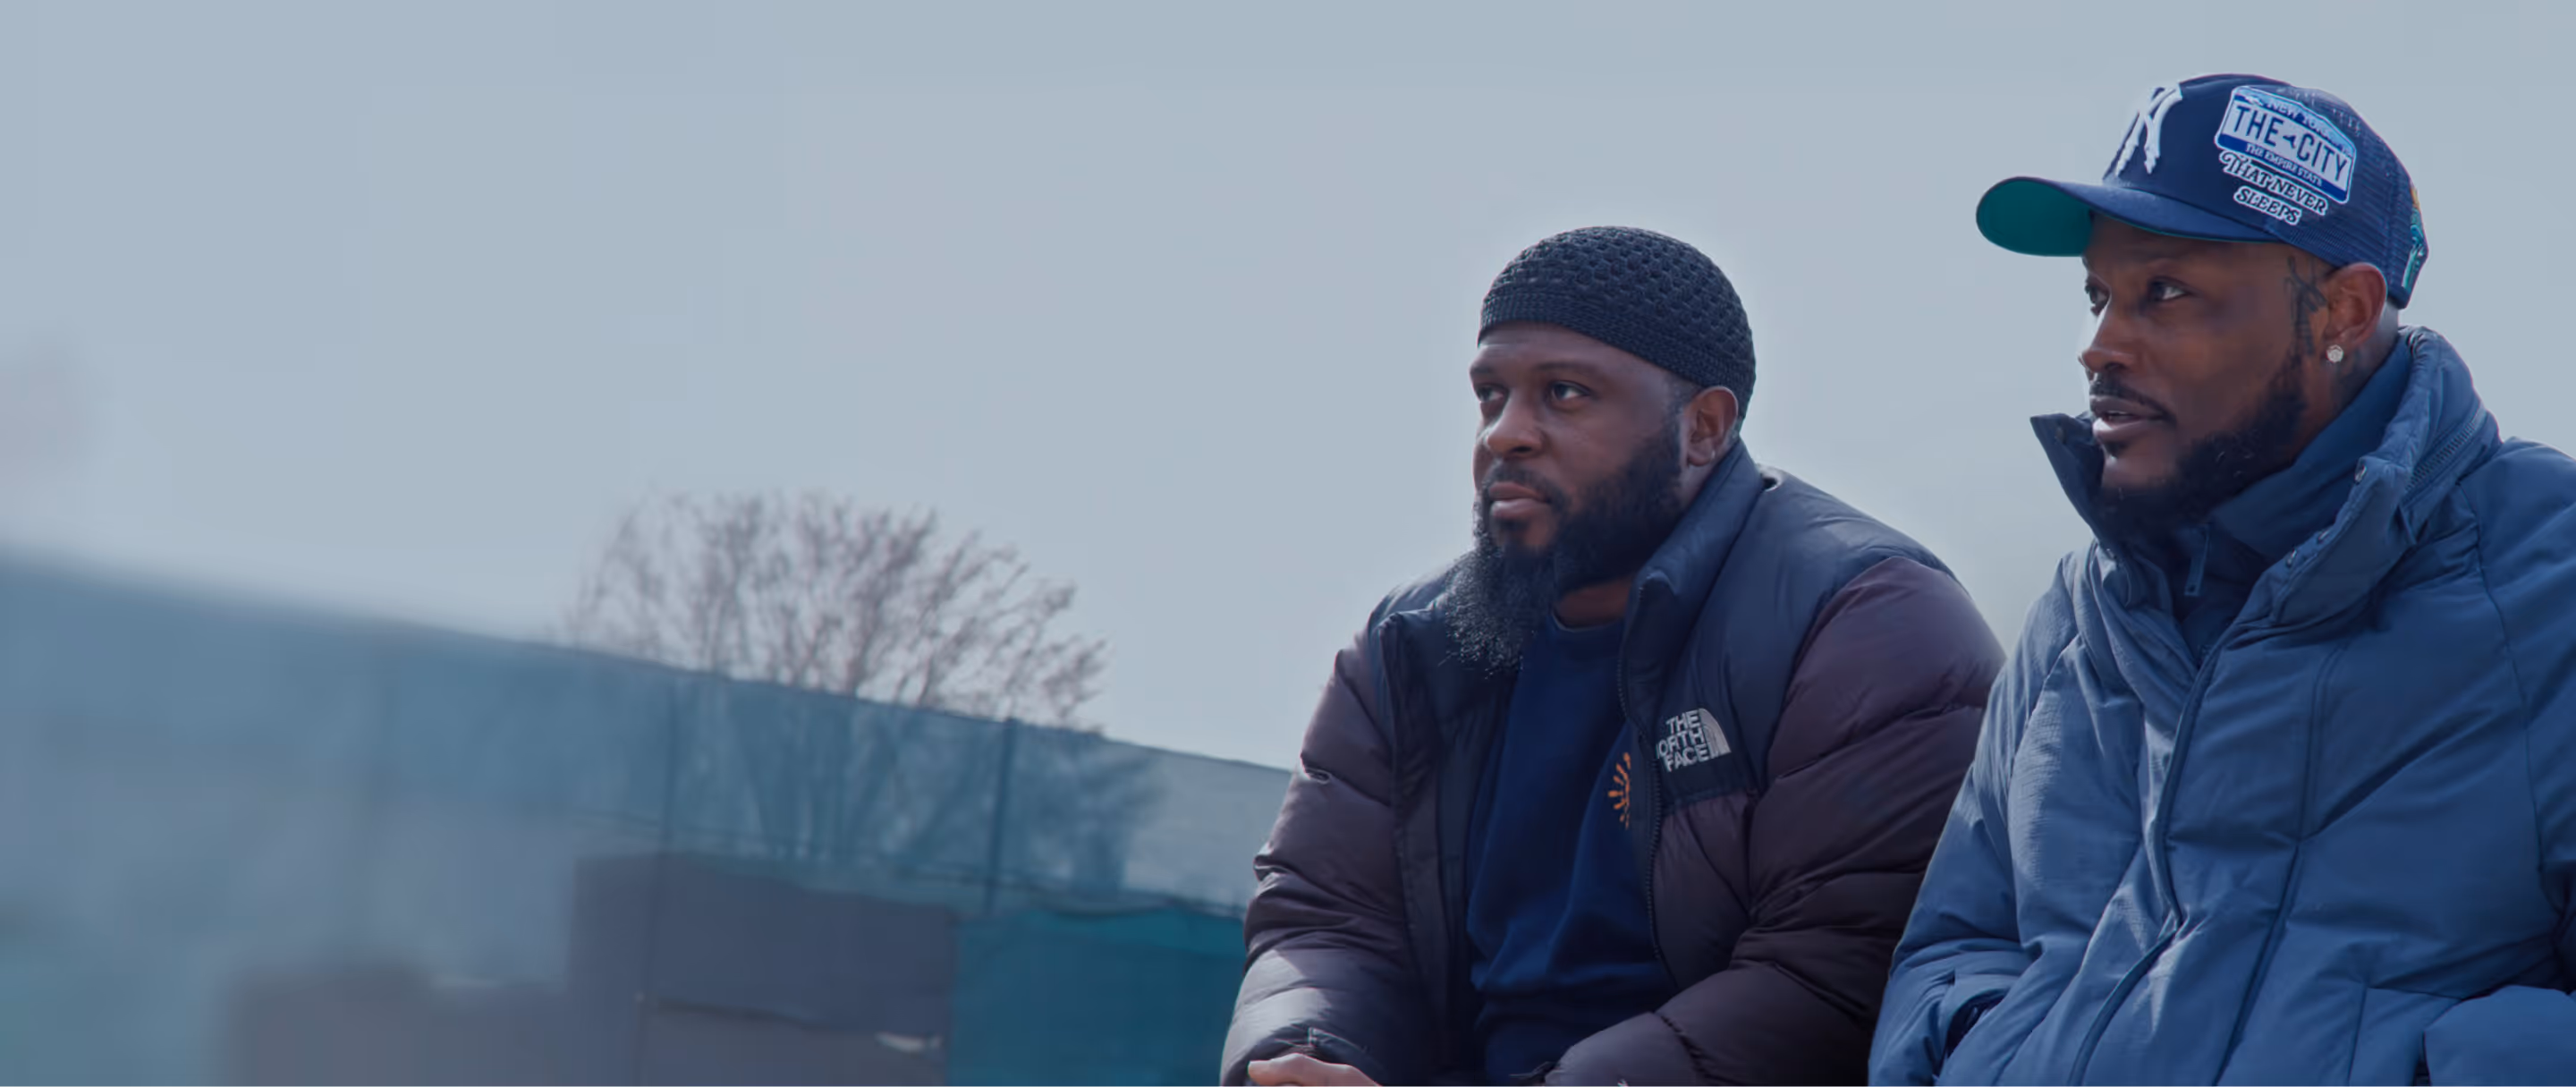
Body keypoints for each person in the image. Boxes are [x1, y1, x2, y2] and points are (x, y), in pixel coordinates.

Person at [1873, 73, 2576, 1085]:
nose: (2099, 346)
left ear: (2343, 309)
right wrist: (1998, 1051)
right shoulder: (2082, 610)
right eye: (2098, 295)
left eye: (2165, 291)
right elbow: (1955, 943)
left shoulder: (2548, 581)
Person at [1222, 226, 2003, 1086]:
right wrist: (1313, 1057)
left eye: (1564, 393)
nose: (1506, 434)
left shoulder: (1864, 620)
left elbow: (1834, 970)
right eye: (1491, 396)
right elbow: (1328, 921)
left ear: (1704, 428)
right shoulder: (1409, 646)